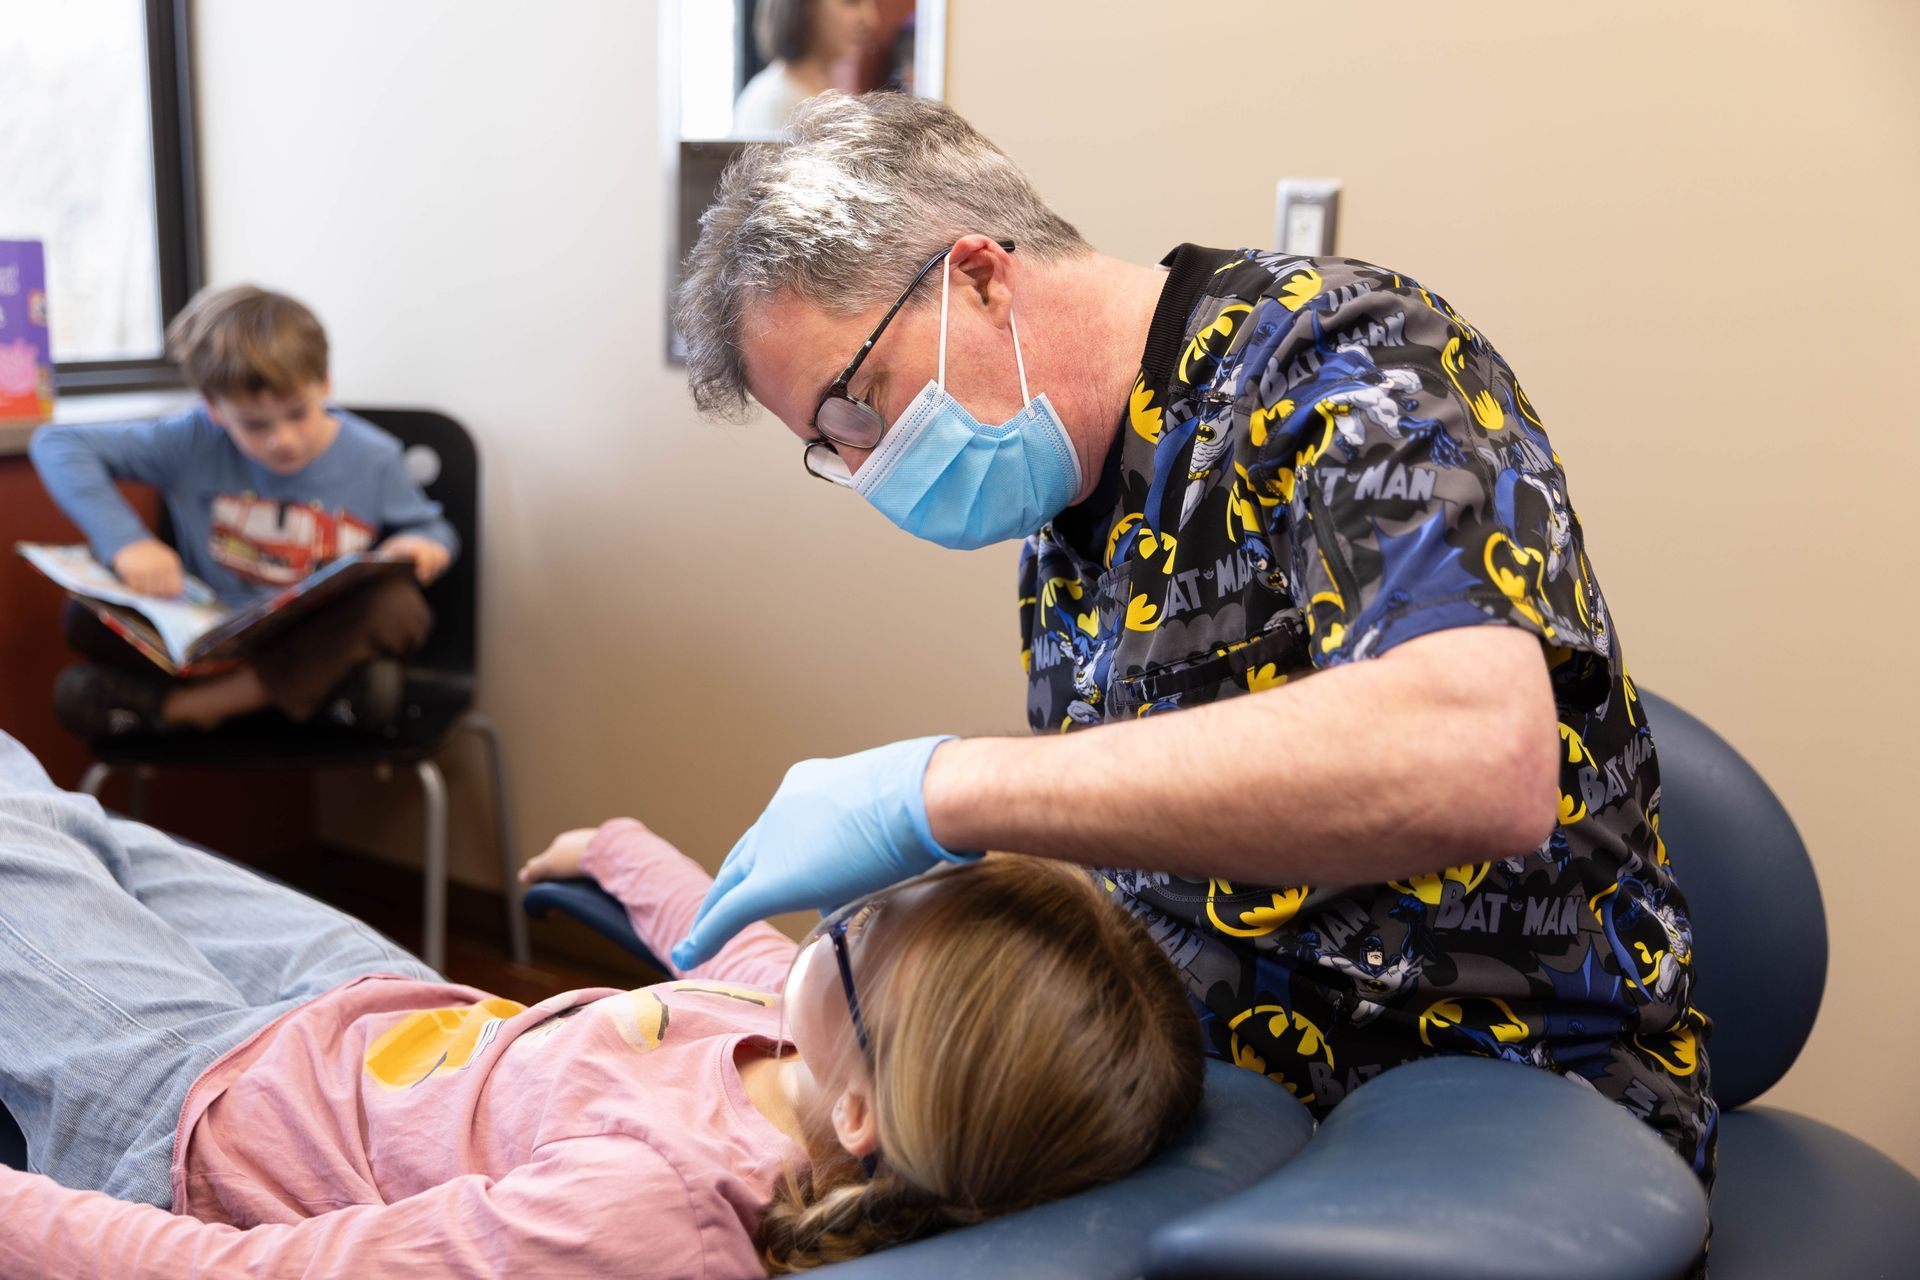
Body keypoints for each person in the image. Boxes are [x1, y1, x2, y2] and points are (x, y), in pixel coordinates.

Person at [671, 91, 1717, 1190]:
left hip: (1495, 1110)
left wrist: (941, 789)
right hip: (1202, 1106)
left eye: (858, 407)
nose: (870, 465)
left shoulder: (1344, 361)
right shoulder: (1068, 526)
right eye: (832, 449)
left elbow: (1479, 757)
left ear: (977, 276)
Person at [0, 729, 1201, 1277]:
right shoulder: (800, 1056)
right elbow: (723, 948)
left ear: (862, 1118)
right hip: (376, 1013)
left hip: (202, 1114)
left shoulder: (644, 1210)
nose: (844, 915)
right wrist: (626, 850)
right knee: (76, 822)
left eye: (861, 930)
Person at [29, 284, 455, 737]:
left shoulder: (373, 456)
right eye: (254, 425)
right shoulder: (191, 441)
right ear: (213, 409)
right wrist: (127, 543)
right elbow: (58, 442)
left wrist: (421, 544)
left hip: (312, 638)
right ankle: (288, 696)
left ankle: (186, 709)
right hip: (210, 633)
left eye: (298, 414)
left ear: (324, 382)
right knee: (83, 618)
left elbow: (430, 528)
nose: (282, 439)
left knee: (398, 609)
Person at [732, 0, 878, 136]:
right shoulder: (779, 102)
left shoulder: (817, 92)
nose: (870, 20)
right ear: (805, 6)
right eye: (851, 2)